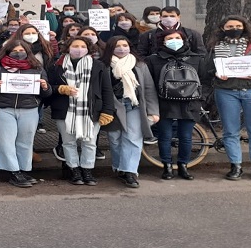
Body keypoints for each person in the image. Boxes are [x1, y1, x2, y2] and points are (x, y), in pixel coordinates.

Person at [47, 37, 116, 186]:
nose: (79, 49)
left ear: (88, 49)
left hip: (92, 110)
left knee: (90, 143)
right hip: (64, 110)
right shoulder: (56, 66)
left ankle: (87, 169)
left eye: (82, 46)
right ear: (68, 47)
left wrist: (108, 111)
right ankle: (74, 170)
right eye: (75, 45)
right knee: (68, 142)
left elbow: (106, 90)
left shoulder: (98, 66)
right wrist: (60, 89)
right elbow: (48, 87)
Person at [0, 40, 52, 188]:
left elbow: (47, 93)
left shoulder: (37, 67)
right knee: (6, 142)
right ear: (7, 52)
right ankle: (14, 172)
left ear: (28, 52)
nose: (19, 53)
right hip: (3, 108)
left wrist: (45, 87)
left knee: (25, 142)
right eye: (15, 51)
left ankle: (23, 169)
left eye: (22, 50)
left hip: (29, 109)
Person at [145, 29, 210, 180]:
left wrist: (201, 98)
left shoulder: (197, 58)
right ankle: (167, 166)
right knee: (165, 136)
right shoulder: (153, 60)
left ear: (184, 40)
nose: (174, 40)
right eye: (170, 38)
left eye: (177, 37)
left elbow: (206, 81)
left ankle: (183, 166)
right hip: (164, 103)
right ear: (163, 41)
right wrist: (152, 105)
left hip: (190, 103)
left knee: (186, 136)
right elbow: (150, 84)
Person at [207, 15, 251, 180]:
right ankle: (235, 166)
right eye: (230, 27)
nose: (234, 29)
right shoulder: (215, 47)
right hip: (226, 90)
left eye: (237, 26)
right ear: (223, 29)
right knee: (230, 131)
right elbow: (207, 69)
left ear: (244, 27)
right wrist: (216, 74)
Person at [101, 36, 159, 188]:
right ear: (110, 49)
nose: (121, 48)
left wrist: (153, 111)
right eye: (117, 46)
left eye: (125, 45)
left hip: (134, 105)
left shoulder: (139, 64)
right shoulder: (103, 65)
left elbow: (148, 89)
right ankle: (119, 166)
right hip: (113, 106)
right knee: (115, 138)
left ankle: (130, 172)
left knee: (133, 137)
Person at [137, 6, 206, 56]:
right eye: (165, 16)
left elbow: (201, 54)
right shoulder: (148, 35)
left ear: (178, 17)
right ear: (160, 18)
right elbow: (141, 54)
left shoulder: (192, 34)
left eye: (172, 16)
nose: (169, 18)